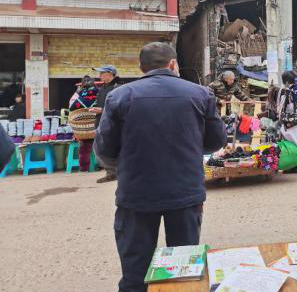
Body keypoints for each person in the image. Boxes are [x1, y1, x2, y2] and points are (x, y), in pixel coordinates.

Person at [94, 42, 226, 292]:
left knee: (135, 274)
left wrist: (124, 168)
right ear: (173, 64)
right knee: (184, 271)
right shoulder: (200, 94)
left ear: (141, 67)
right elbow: (216, 142)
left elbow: (104, 149)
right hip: (185, 192)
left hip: (136, 194)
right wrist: (189, 149)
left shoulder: (119, 96)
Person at [91, 65, 123, 183]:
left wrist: (102, 110)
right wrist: (96, 109)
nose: (99, 76)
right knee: (104, 147)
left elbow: (120, 106)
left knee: (115, 148)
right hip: (101, 121)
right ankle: (111, 172)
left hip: (113, 123)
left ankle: (117, 172)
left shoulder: (118, 88)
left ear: (110, 74)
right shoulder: (103, 88)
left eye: (102, 73)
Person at [70, 76, 100, 171]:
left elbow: (71, 107)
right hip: (98, 127)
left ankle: (83, 167)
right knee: (102, 144)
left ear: (82, 84)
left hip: (84, 129)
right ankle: (101, 165)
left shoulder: (79, 96)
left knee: (84, 147)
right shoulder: (100, 93)